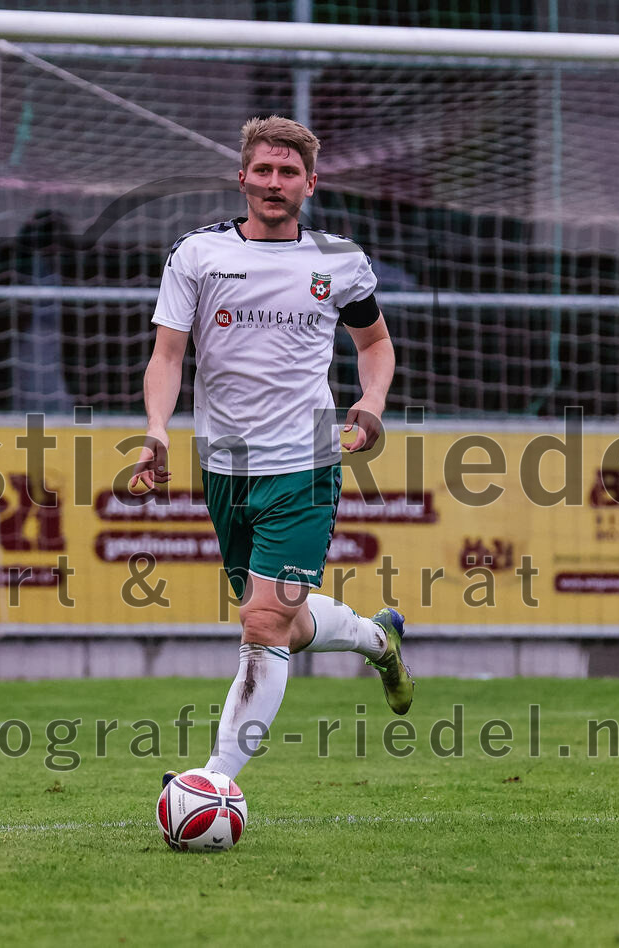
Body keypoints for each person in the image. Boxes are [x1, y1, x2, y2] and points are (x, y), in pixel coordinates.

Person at [132, 115, 414, 784]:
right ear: (242, 178)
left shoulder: (337, 260)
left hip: (305, 463)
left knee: (263, 619)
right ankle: (379, 640)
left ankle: (214, 783)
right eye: (264, 169)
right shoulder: (197, 255)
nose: (275, 181)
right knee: (285, 622)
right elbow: (167, 355)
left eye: (289, 172)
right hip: (225, 465)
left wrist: (371, 404)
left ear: (310, 184)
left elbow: (374, 343)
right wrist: (155, 428)